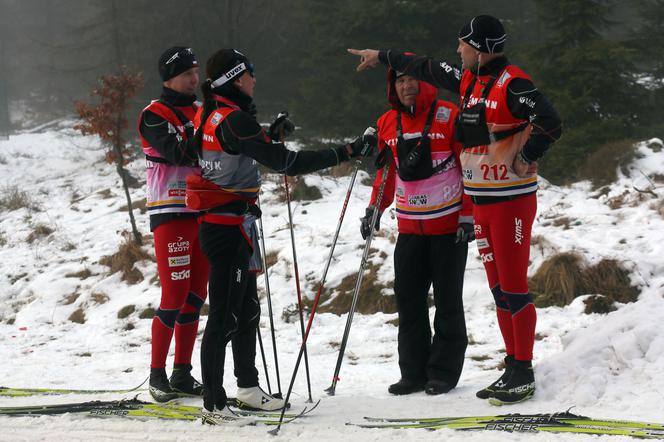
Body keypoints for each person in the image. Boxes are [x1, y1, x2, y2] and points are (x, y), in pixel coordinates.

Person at [349, 14, 562, 404]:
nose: (457, 51)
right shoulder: (468, 79)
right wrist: (381, 56)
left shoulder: (511, 82)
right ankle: (512, 364)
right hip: (482, 201)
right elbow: (424, 64)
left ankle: (523, 369)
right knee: (499, 290)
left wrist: (527, 156)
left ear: (479, 49)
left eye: (463, 45)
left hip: (511, 202)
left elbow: (549, 121)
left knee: (514, 288)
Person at [186, 48, 377, 413]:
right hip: (227, 229)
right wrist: (348, 150)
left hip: (231, 224)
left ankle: (247, 388)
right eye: (250, 72)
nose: (255, 79)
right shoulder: (234, 119)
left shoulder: (209, 112)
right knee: (225, 316)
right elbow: (288, 163)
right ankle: (213, 403)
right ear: (235, 79)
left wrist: (268, 134)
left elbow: (238, 145)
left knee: (247, 311)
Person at [361, 66, 473, 396]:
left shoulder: (449, 115)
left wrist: (468, 216)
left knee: (448, 302)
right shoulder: (386, 123)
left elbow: (469, 167)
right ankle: (412, 373)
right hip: (409, 228)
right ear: (392, 87)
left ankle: (443, 373)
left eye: (412, 79)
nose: (407, 86)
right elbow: (386, 174)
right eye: (400, 81)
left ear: (426, 82)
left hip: (449, 228)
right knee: (409, 302)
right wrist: (374, 208)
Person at [137, 47, 209, 402]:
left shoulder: (200, 110)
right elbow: (179, 152)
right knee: (174, 295)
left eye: (196, 72)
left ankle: (182, 372)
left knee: (196, 296)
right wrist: (210, 136)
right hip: (170, 212)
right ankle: (156, 374)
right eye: (186, 74)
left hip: (203, 211)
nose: (194, 79)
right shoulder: (153, 114)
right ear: (169, 78)